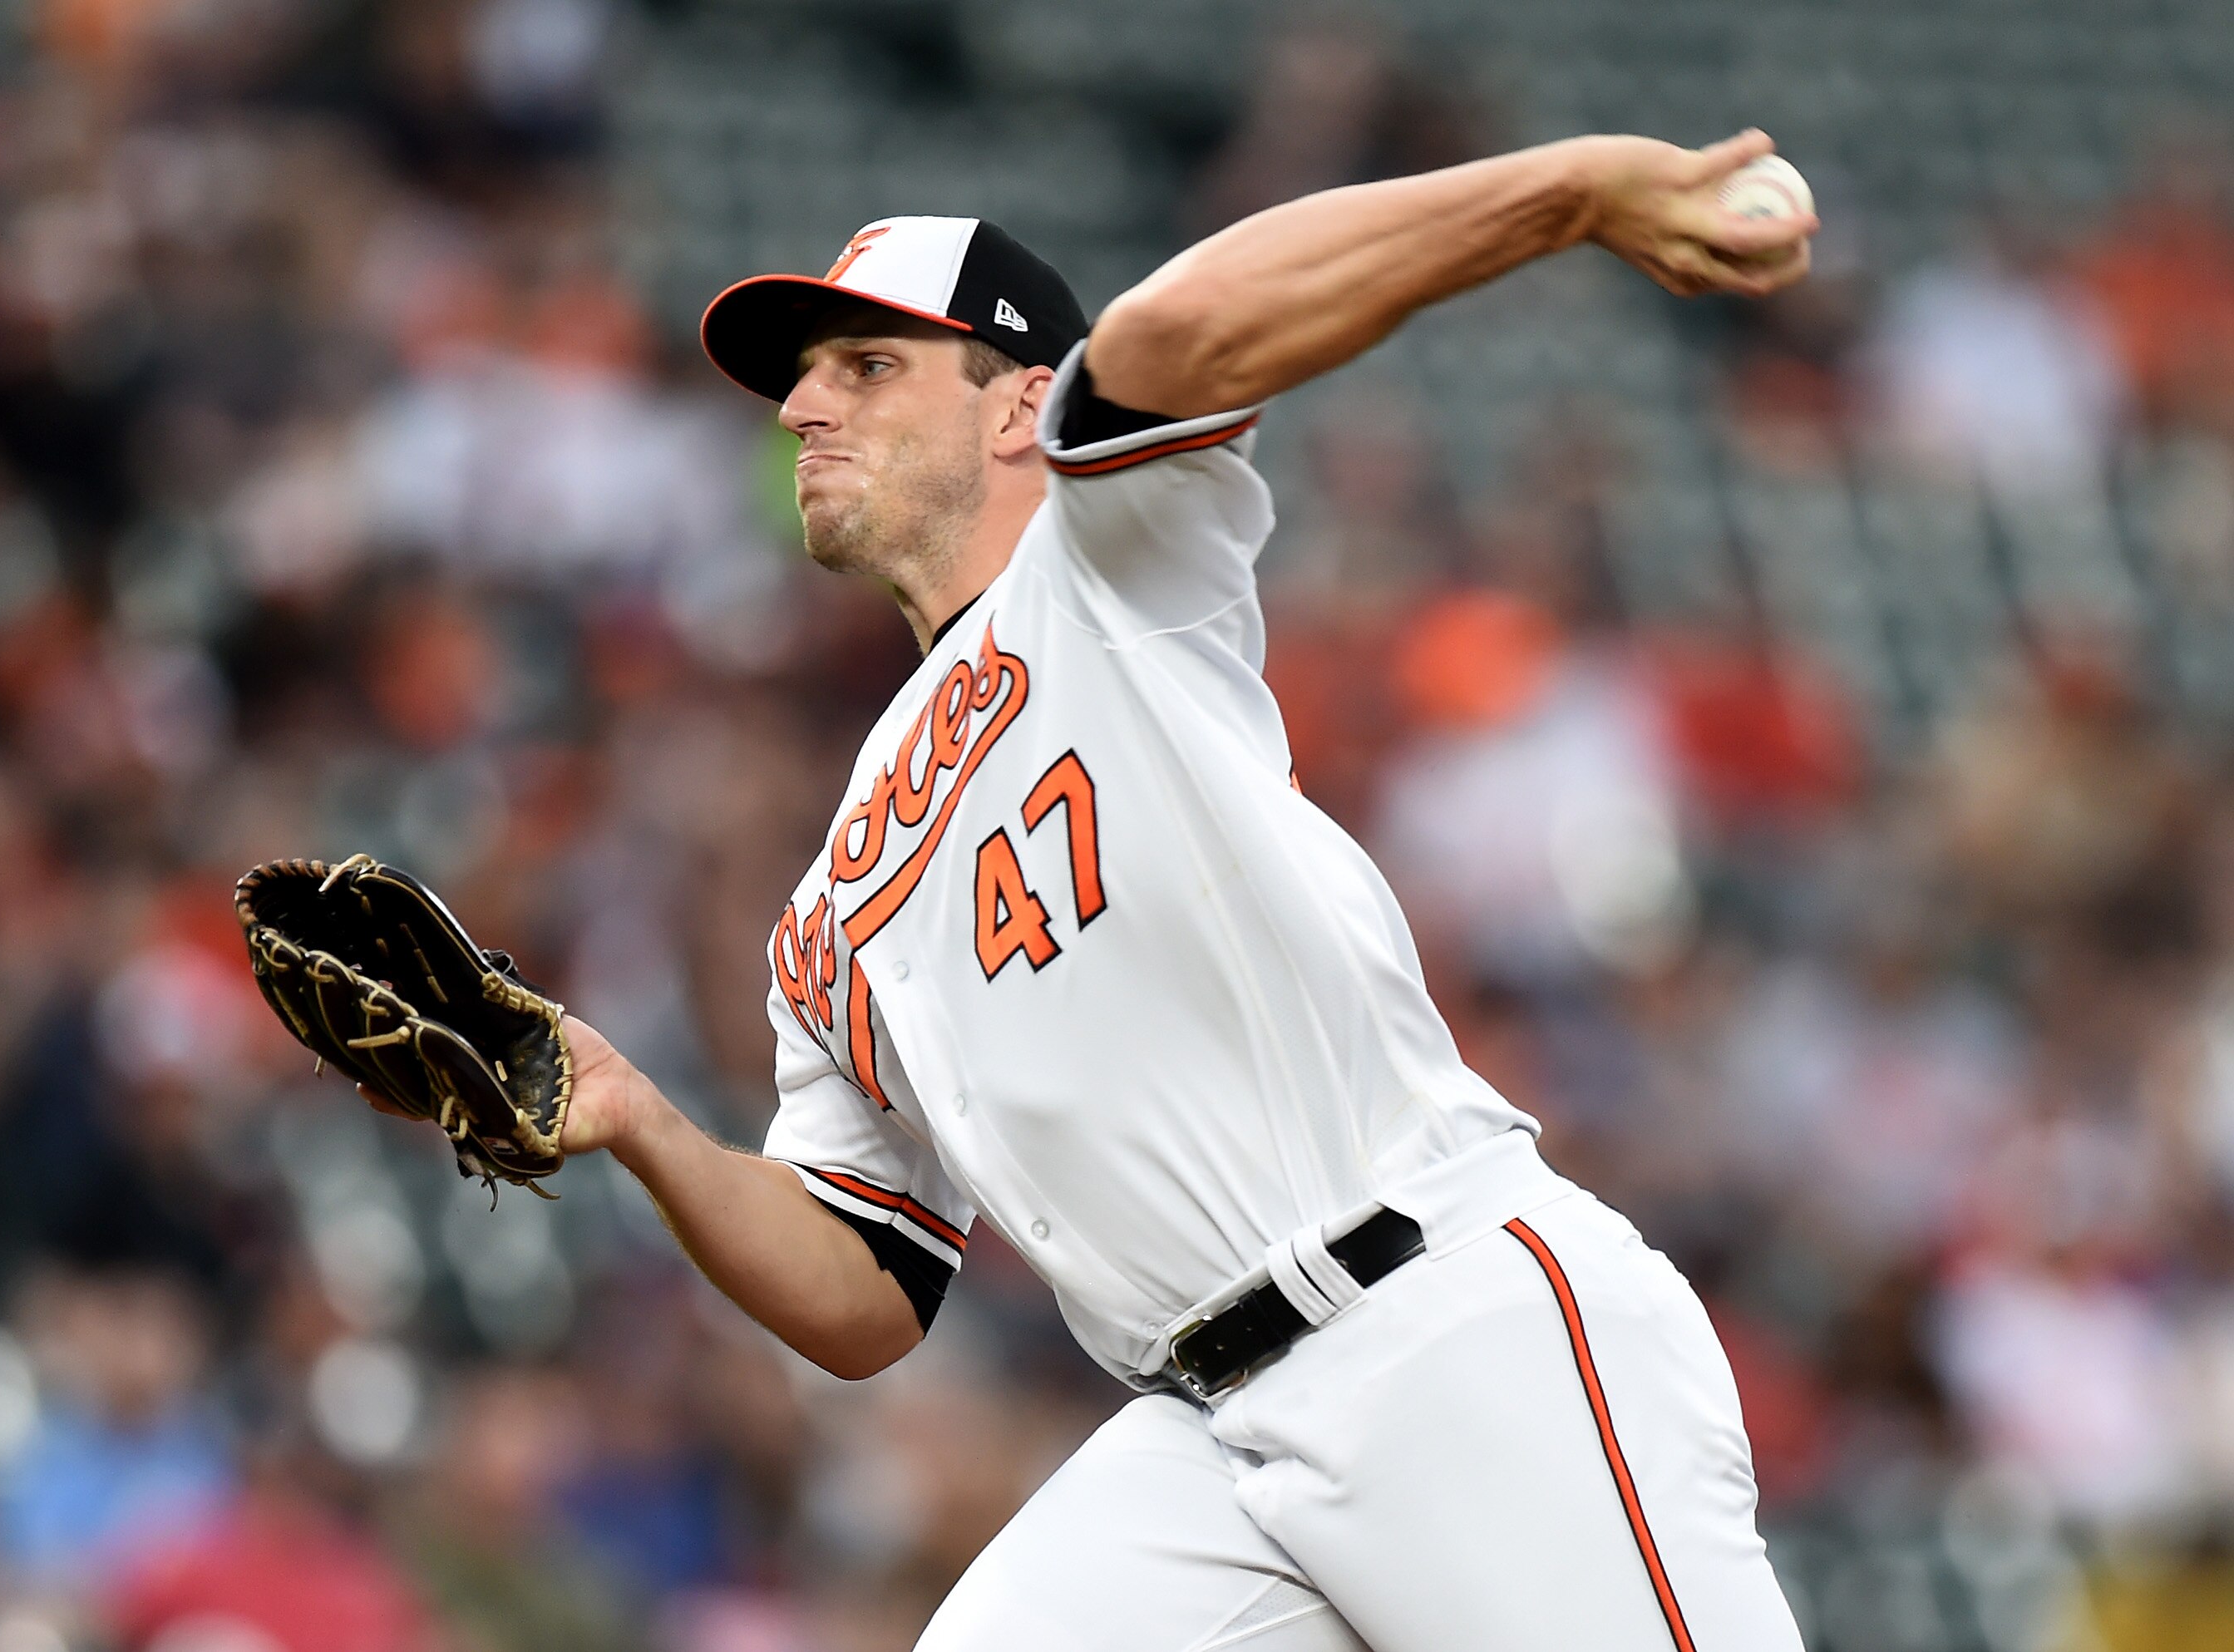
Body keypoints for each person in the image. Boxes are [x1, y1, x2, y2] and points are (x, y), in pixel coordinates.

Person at [427, 132, 1815, 1650]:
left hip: (1439, 1319)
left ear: (1022, 402)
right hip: (1209, 1444)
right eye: (801, 378)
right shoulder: (828, 905)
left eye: (868, 368)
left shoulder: (1107, 560)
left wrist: (1574, 192)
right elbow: (866, 1289)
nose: (804, 405)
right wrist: (637, 1118)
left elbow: (1168, 339)